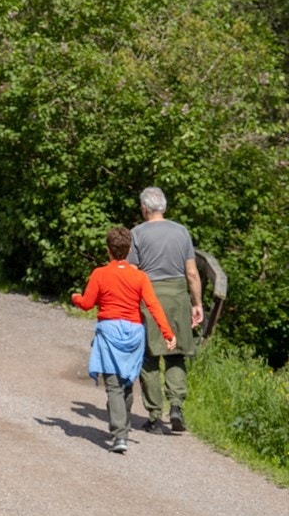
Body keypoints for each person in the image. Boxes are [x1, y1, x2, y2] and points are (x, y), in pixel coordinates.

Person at [72, 226, 175, 454]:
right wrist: (168, 334)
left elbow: (88, 303)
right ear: (128, 251)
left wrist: (76, 298)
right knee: (127, 381)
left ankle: (120, 434)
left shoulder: (100, 274)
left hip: (109, 331)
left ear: (108, 250)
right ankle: (122, 424)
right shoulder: (140, 276)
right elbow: (153, 305)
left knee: (113, 385)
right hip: (134, 332)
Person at [129, 186, 205, 434]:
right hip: (177, 297)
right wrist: (197, 303)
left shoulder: (137, 234)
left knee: (150, 357)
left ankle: (153, 415)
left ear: (144, 208)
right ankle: (176, 406)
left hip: (149, 297)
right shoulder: (181, 232)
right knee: (176, 353)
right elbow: (192, 272)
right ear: (164, 207)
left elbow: (132, 272)